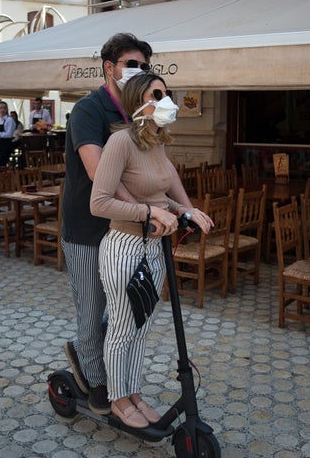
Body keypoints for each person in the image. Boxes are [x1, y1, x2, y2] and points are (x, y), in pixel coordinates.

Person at [60, 32, 194, 416]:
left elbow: (163, 168)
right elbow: (99, 169)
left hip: (128, 232)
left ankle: (120, 383)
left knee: (125, 313)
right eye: (131, 65)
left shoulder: (138, 111)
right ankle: (96, 381)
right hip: (90, 228)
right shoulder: (91, 109)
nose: (138, 72)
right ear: (110, 68)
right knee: (93, 309)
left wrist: (185, 208)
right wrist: (147, 214)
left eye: (144, 66)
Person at [90, 72, 212, 428]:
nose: (166, 100)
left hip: (154, 249)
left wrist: (183, 210)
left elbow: (161, 197)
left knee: (141, 328)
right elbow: (99, 202)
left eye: (166, 93)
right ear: (137, 102)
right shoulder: (120, 142)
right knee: (122, 327)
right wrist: (147, 212)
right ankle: (117, 398)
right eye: (157, 94)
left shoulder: (155, 142)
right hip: (124, 247)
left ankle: (133, 391)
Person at [0, 101, 16, 167]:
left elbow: (9, 134)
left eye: (4, 108)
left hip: (6, 144)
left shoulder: (9, 120)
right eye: (1, 108)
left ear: (7, 109)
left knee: (3, 162)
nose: (2, 110)